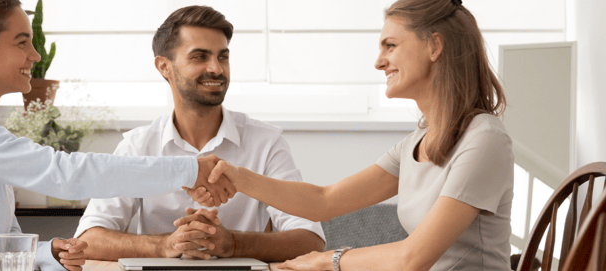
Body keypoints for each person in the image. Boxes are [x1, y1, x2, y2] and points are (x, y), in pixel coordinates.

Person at [0, 1, 234, 270]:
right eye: (21, 43)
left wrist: (50, 252)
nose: (34, 55)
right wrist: (190, 170)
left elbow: (0, 244)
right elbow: (66, 174)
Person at [193, 0, 514, 270]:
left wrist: (327, 261)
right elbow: (324, 201)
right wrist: (236, 177)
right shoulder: (417, 142)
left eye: (391, 45)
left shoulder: (484, 140)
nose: (378, 62)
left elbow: (412, 257)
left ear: (434, 46)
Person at [73, 5, 325, 261]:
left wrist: (234, 244)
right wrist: (165, 245)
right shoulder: (138, 146)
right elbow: (88, 239)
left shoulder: (266, 142)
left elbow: (310, 240)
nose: (216, 68)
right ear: (164, 66)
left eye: (223, 57)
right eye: (200, 57)